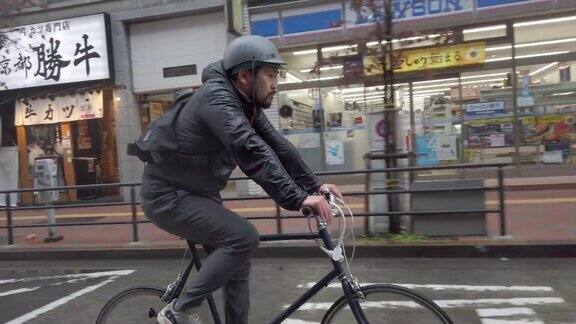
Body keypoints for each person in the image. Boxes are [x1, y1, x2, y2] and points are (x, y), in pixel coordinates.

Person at [140, 35, 342, 324]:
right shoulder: (217, 99)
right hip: (167, 195)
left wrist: (313, 185)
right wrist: (296, 198)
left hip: (196, 193)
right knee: (243, 237)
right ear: (245, 75)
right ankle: (180, 311)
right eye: (270, 75)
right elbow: (250, 148)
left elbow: (276, 144)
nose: (275, 83)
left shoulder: (244, 104)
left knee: (238, 262)